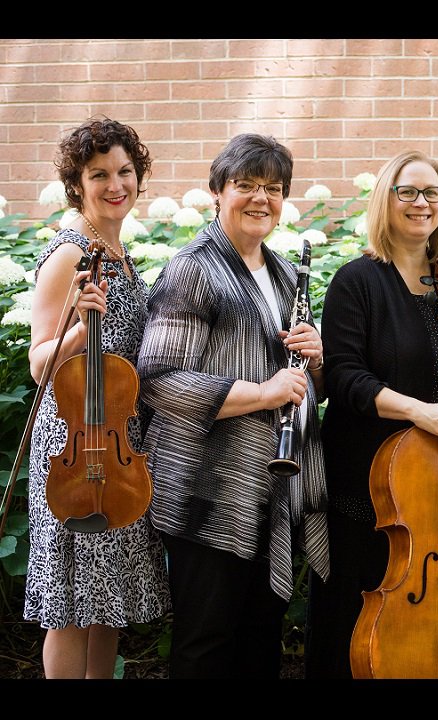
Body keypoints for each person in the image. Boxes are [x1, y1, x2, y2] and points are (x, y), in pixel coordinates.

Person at [304, 150, 438, 678]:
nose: (422, 204)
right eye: (409, 192)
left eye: (432, 193)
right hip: (372, 478)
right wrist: (420, 412)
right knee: (361, 607)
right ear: (386, 201)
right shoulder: (358, 281)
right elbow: (345, 379)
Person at [136, 133, 329, 678]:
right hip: (208, 491)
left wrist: (315, 360)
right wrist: (264, 394)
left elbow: (303, 380)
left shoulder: (288, 272)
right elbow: (160, 379)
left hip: (271, 488)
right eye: (245, 185)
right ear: (218, 191)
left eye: (272, 188)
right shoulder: (194, 268)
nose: (260, 198)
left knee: (258, 641)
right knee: (206, 645)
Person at [23, 116, 170, 679]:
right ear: (77, 183)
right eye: (99, 174)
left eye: (125, 172)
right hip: (76, 446)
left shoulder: (120, 253)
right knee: (70, 607)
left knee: (108, 602)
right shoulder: (69, 255)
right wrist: (81, 331)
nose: (116, 185)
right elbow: (41, 363)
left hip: (120, 445)